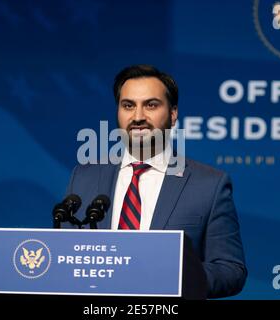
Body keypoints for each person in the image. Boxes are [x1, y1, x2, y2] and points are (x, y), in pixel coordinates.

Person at [64, 64, 247, 299]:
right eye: (128, 105)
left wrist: (173, 277)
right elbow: (64, 258)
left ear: (172, 115)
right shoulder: (83, 176)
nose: (138, 117)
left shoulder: (210, 185)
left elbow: (231, 270)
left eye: (151, 105)